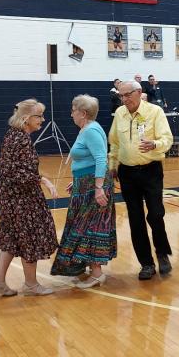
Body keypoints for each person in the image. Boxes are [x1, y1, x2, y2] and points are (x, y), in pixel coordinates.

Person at [0, 99, 58, 296]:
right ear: (27, 118)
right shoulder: (20, 138)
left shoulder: (13, 134)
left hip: (10, 195)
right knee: (30, 235)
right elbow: (16, 172)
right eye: (39, 116)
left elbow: (5, 164)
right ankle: (31, 284)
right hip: (20, 196)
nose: (43, 120)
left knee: (12, 236)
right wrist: (43, 180)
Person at [109, 81, 173, 280]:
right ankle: (146, 263)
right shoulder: (120, 113)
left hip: (151, 171)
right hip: (127, 173)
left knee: (155, 214)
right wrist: (113, 165)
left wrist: (155, 144)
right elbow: (114, 143)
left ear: (139, 92)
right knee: (135, 219)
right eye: (121, 95)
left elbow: (167, 139)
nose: (124, 99)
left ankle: (162, 253)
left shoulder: (155, 112)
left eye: (127, 94)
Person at [51, 95, 116, 287]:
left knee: (91, 227)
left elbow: (101, 159)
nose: (71, 114)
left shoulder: (91, 130)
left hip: (94, 185)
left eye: (73, 110)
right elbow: (86, 159)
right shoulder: (86, 129)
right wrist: (77, 180)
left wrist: (98, 187)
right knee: (84, 225)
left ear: (83, 113)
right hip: (85, 183)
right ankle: (89, 269)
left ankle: (97, 274)